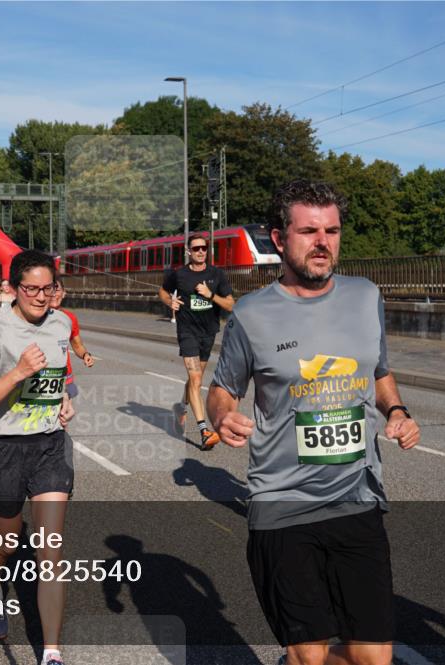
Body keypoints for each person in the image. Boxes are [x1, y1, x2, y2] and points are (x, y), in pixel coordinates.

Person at [206, 179, 421, 665]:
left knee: (374, 659)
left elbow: (380, 371)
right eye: (309, 231)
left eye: (332, 230)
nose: (323, 242)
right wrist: (223, 417)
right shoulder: (252, 314)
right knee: (310, 656)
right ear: (279, 239)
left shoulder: (367, 296)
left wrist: (398, 411)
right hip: (283, 504)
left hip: (357, 498)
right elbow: (222, 390)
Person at [0, 250, 75, 662]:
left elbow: (56, 378)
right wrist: (17, 374)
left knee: (50, 548)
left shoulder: (61, 323)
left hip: (49, 446)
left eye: (48, 288)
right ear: (13, 287)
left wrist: (63, 399)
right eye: (32, 288)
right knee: (7, 542)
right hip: (2, 448)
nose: (41, 296)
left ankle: (51, 653)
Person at [158, 232, 234, 449]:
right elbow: (162, 292)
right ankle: (203, 431)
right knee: (196, 378)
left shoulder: (216, 274)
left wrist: (210, 295)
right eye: (196, 248)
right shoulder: (179, 275)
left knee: (195, 378)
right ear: (188, 251)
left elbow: (230, 305)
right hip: (187, 332)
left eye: (204, 248)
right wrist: (169, 302)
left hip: (208, 332)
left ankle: (180, 407)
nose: (201, 252)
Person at [49, 281, 94, 400]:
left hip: (63, 376)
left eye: (57, 290)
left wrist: (85, 355)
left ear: (64, 293)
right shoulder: (35, 316)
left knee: (62, 415)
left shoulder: (70, 318)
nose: (53, 294)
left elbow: (77, 346)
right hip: (40, 376)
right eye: (50, 290)